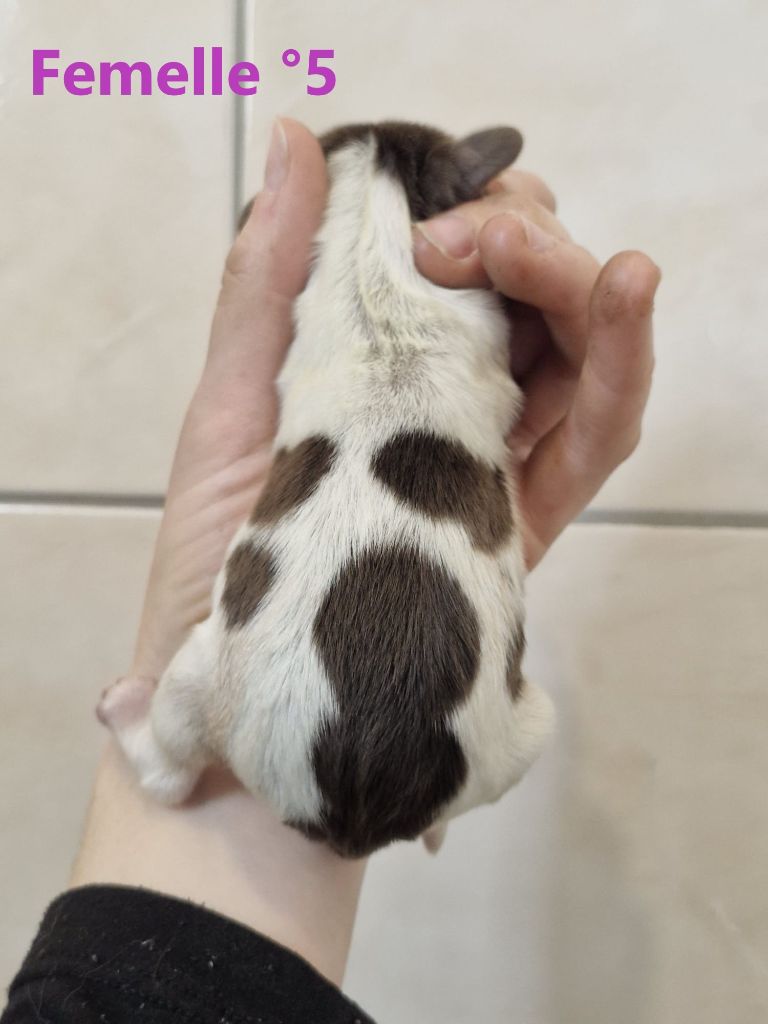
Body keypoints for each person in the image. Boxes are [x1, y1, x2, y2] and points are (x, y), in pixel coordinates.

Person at [1, 119, 660, 1023]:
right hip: (439, 766)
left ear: (304, 228)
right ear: (450, 195)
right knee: (527, 721)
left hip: (257, 751)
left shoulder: (306, 323)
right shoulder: (484, 328)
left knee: (207, 674)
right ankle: (434, 801)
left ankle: (161, 763)